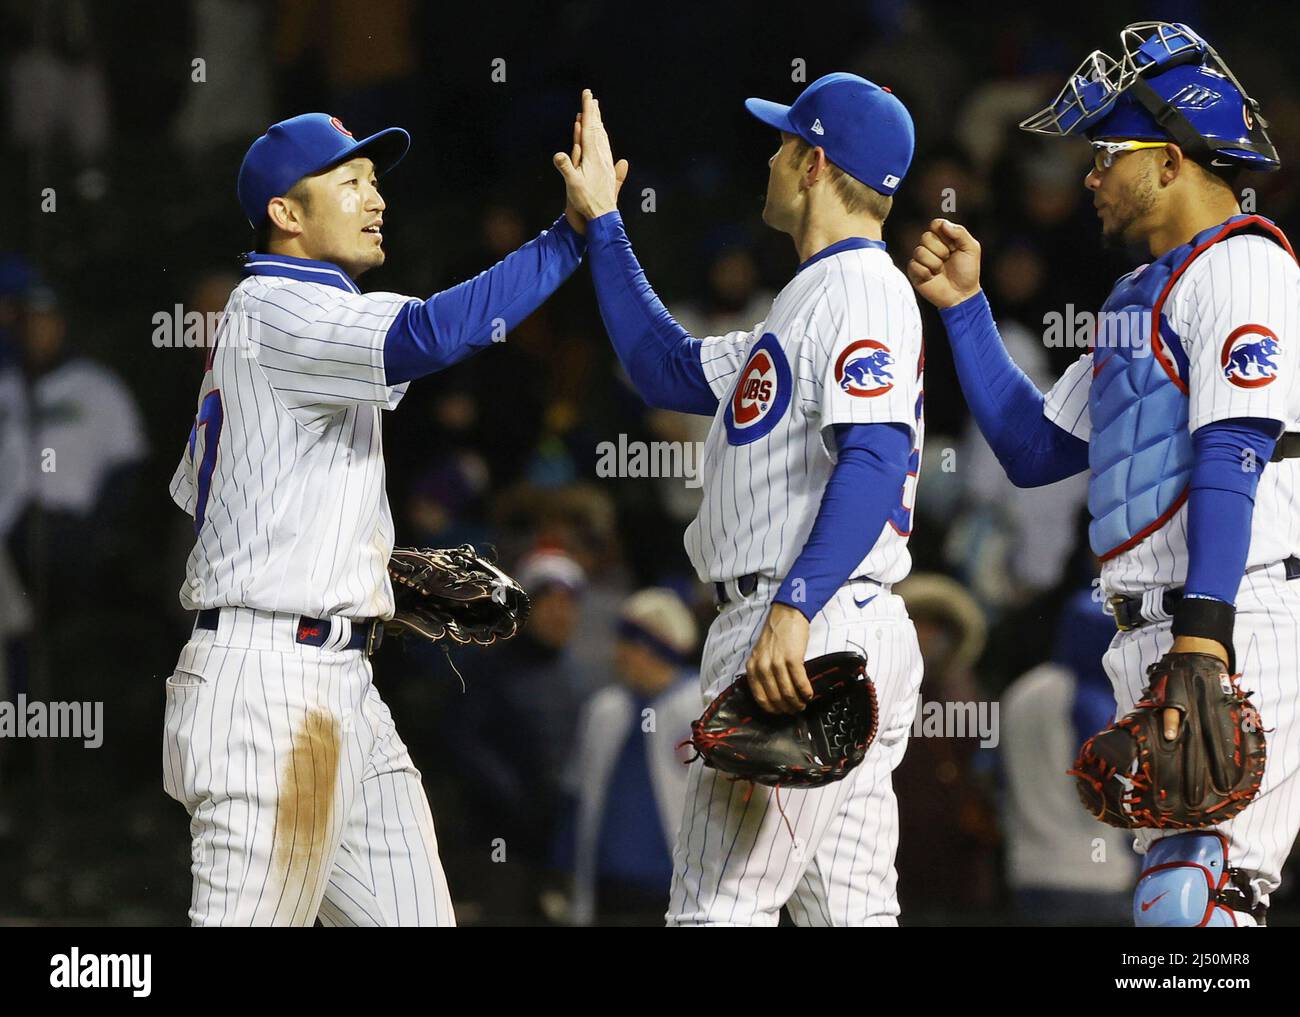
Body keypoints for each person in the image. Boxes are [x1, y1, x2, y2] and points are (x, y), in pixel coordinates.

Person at [163, 111, 618, 926]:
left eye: (375, 181)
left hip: (337, 676)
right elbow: (435, 332)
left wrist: (351, 568)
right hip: (269, 688)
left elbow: (218, 503)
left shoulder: (284, 322)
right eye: (350, 182)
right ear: (286, 214)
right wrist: (569, 234)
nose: (375, 198)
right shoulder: (280, 307)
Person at [908, 22, 1300, 926]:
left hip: (1232, 614)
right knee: (1187, 901)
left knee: (1198, 902)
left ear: (1170, 162)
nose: (1089, 175)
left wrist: (1203, 643)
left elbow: (1233, 451)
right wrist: (967, 310)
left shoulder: (1244, 263)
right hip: (1152, 630)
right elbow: (1034, 448)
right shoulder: (1143, 293)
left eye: (1107, 153)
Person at [556, 78, 926, 926]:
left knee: (716, 905)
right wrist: (605, 223)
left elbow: (873, 455)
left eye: (782, 141)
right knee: (850, 911)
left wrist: (794, 610)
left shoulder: (862, 289)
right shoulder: (805, 302)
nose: (769, 155)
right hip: (826, 620)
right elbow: (667, 367)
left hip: (803, 624)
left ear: (814, 161)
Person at [553, 588, 700, 926]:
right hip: (608, 886)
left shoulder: (701, 705)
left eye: (625, 642)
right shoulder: (604, 709)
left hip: (674, 885)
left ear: (649, 645)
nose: (617, 654)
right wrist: (561, 866)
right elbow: (576, 796)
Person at [1001, 590, 1136, 925]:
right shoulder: (1092, 701)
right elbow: (1119, 790)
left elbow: (997, 778)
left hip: (1030, 870)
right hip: (1096, 873)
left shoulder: (1023, 690)